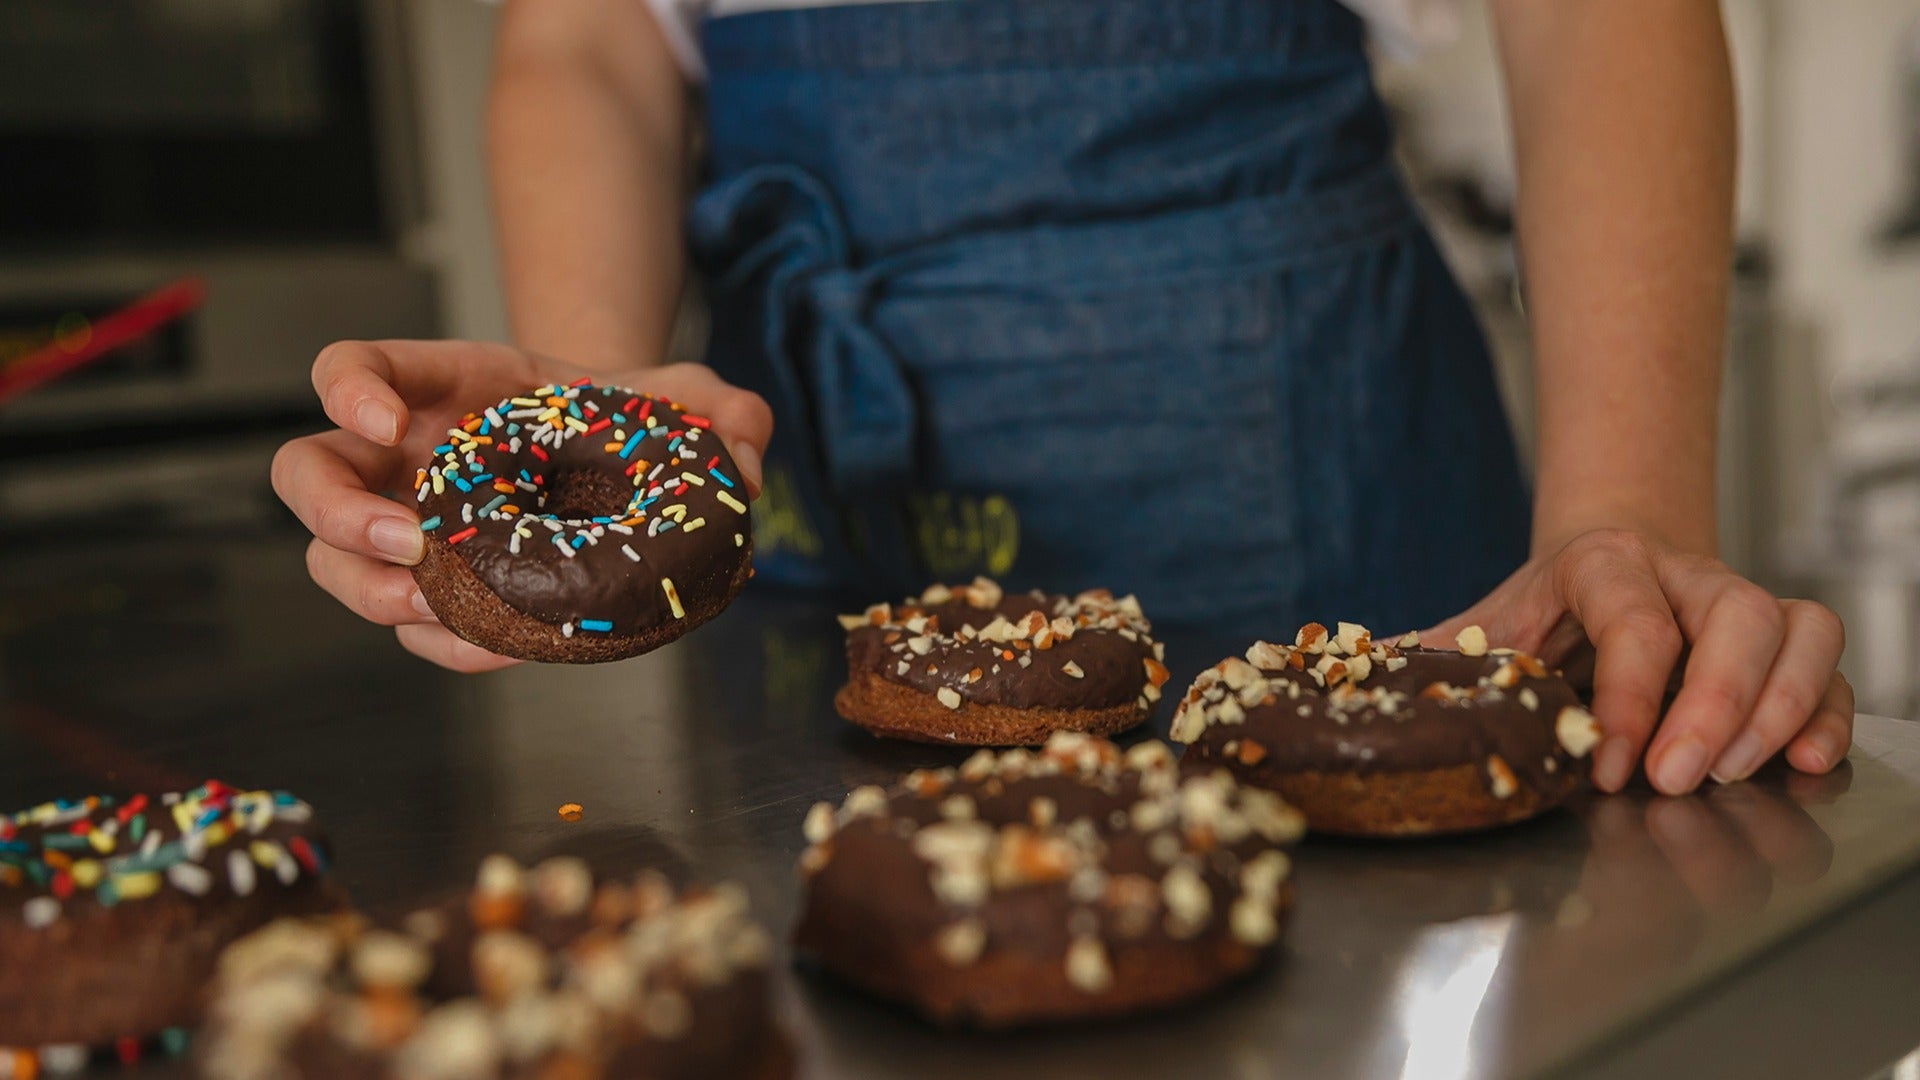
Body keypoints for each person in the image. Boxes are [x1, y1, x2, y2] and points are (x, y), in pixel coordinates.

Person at [271, 0, 1853, 797]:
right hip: (810, 487)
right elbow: (589, 33)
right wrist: (594, 396)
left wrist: (1628, 509)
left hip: (1315, 461)